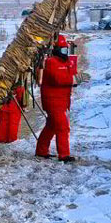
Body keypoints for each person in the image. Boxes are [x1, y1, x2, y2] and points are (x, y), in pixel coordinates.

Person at [35, 34, 77, 162]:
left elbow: (70, 76)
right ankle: (64, 155)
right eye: (63, 50)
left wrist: (73, 77)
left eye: (66, 50)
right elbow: (58, 80)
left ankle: (41, 151)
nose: (65, 53)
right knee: (63, 127)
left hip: (62, 100)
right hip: (53, 101)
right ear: (56, 50)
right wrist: (73, 79)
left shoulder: (67, 62)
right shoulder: (51, 62)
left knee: (51, 127)